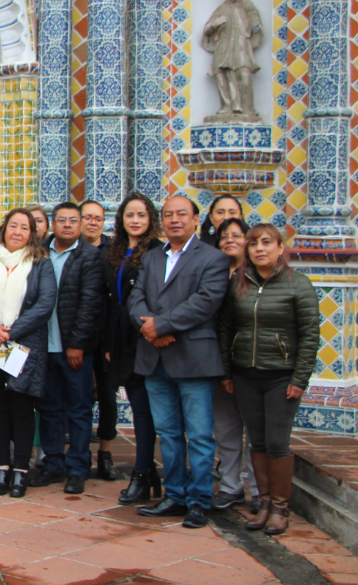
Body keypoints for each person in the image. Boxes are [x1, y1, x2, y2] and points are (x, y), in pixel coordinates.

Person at [128, 195, 230, 529]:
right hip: (155, 358)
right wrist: (150, 328)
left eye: (181, 214)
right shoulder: (152, 257)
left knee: (199, 434)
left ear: (196, 219)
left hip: (193, 358)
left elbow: (206, 302)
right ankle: (175, 494)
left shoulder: (212, 258)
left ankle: (200, 499)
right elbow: (135, 298)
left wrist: (162, 324)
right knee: (168, 433)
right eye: (168, 214)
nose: (174, 220)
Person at [219, 225, 318, 535]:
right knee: (257, 441)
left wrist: (299, 378)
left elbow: (310, 336)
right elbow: (226, 329)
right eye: (253, 244)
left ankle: (280, 507)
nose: (259, 248)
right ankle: (262, 503)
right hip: (245, 374)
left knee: (277, 442)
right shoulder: (239, 282)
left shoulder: (298, 285)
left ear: (280, 248)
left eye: (266, 243)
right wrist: (227, 371)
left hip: (281, 376)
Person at [0, 209, 56, 498]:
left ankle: (20, 470)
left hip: (23, 345)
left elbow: (45, 303)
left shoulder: (41, 262)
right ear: (4, 230)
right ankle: (0, 468)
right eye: (12, 226)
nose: (17, 232)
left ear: (32, 233)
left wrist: (10, 332)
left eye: (24, 228)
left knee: (22, 407)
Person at [29, 202, 104, 494]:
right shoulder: (39, 252)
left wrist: (77, 344)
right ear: (52, 223)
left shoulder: (89, 256)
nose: (68, 225)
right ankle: (53, 463)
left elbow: (89, 305)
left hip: (74, 350)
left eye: (74, 220)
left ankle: (77, 467)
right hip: (43, 347)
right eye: (62, 220)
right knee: (48, 408)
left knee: (79, 409)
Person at [103, 193, 164, 505]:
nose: (135, 220)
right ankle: (147, 472)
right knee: (135, 403)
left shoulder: (156, 252)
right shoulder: (116, 251)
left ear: (151, 219)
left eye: (141, 215)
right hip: (120, 340)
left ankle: (142, 472)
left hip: (142, 338)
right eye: (130, 215)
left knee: (142, 410)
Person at [210, 217, 259, 512]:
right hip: (217, 361)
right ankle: (230, 486)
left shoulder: (258, 276)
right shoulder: (213, 271)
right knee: (226, 430)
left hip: (249, 364)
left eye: (237, 235)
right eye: (224, 235)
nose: (230, 239)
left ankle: (259, 490)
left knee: (255, 433)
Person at [79, 200, 123, 481]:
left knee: (107, 397)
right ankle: (80, 455)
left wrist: (113, 342)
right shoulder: (69, 250)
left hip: (107, 338)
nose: (92, 222)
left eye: (98, 218)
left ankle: (104, 454)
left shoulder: (114, 253)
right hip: (78, 339)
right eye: (87, 218)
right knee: (80, 398)